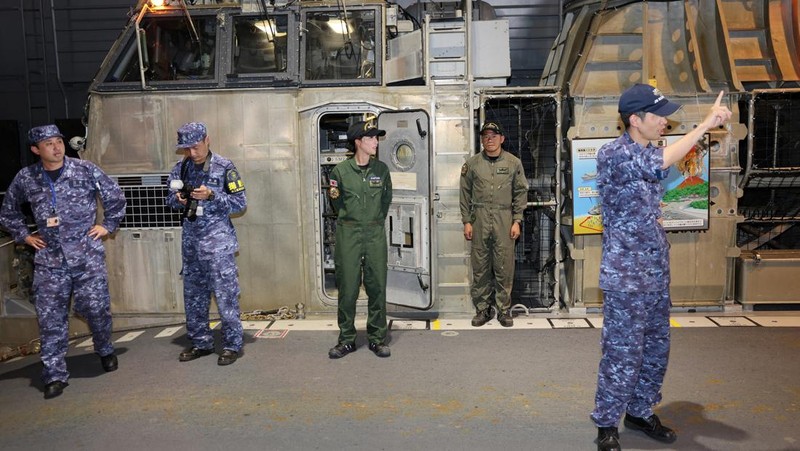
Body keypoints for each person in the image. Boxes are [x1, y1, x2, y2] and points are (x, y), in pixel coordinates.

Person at [591, 84, 732, 451]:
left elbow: (660, 169)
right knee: (622, 353)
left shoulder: (650, 151)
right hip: (626, 278)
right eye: (658, 116)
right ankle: (607, 422)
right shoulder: (613, 154)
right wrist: (706, 124)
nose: (665, 122)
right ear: (635, 120)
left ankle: (639, 412)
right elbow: (660, 163)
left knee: (655, 351)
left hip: (654, 274)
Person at [0, 124, 126, 399]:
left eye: (58, 141)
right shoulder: (26, 178)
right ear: (36, 150)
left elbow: (115, 196)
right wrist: (24, 235)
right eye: (49, 144)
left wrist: (107, 225)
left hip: (86, 256)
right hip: (50, 260)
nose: (57, 147)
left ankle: (105, 348)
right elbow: (8, 212)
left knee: (96, 309)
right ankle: (55, 374)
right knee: (50, 318)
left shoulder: (84, 169)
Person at [166, 122, 247, 366]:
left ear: (207, 140)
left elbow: (240, 203)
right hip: (191, 245)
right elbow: (169, 200)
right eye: (187, 148)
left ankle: (232, 345)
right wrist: (178, 200)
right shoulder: (180, 169)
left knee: (226, 297)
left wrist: (212, 196)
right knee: (194, 297)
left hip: (218, 246)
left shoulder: (224, 167)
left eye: (196, 146)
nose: (192, 153)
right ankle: (201, 342)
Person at [327, 121, 393, 359]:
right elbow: (336, 202)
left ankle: (377, 338)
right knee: (348, 288)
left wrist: (373, 221)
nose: (376, 142)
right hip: (349, 233)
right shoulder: (340, 172)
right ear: (358, 142)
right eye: (371, 138)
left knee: (377, 287)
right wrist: (354, 221)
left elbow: (385, 201)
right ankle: (346, 339)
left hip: (374, 233)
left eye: (376, 137)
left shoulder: (381, 170)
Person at [460, 121, 529, 327]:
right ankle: (483, 309)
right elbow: (465, 194)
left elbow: (520, 193)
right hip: (479, 219)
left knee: (504, 266)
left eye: (493, 136)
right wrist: (467, 221)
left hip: (504, 219)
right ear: (482, 140)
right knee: (480, 266)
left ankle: (503, 309)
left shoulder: (513, 163)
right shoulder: (472, 165)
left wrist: (517, 220)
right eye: (485, 136)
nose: (489, 139)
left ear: (502, 139)